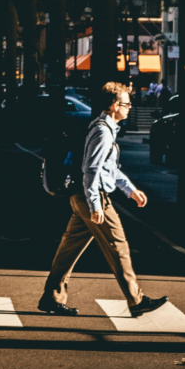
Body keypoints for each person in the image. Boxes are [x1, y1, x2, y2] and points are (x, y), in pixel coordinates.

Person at [38, 82, 169, 317]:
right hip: (93, 196)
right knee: (119, 247)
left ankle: (51, 297)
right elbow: (91, 170)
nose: (129, 108)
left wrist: (130, 190)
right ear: (114, 105)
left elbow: (109, 169)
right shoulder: (102, 131)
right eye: (127, 104)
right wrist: (95, 205)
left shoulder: (104, 129)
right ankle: (137, 300)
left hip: (83, 197)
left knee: (69, 249)